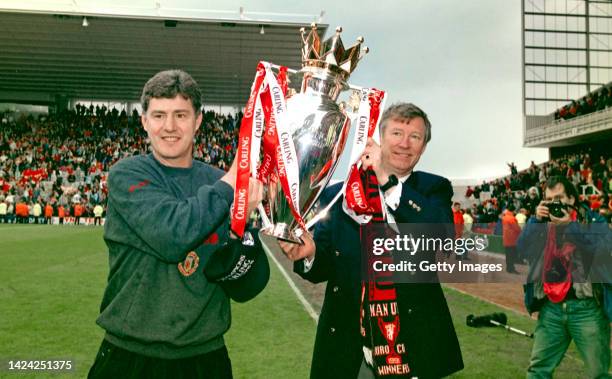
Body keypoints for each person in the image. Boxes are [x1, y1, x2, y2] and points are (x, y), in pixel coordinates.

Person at [88, 69, 268, 379]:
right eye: (158, 115)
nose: (169, 127)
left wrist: (240, 232)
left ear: (198, 120)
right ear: (144, 121)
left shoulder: (216, 181)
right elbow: (172, 236)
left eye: (180, 115)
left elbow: (247, 286)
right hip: (130, 357)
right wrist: (232, 183)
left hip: (205, 358)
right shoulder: (126, 175)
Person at [280, 103, 463, 378]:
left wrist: (388, 182)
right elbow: (325, 267)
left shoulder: (434, 189)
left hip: (411, 348)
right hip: (349, 347)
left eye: (415, 137)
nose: (405, 143)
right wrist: (310, 253)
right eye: (397, 133)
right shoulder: (339, 194)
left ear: (423, 147)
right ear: (379, 138)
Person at [518, 176, 611, 378]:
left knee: (598, 373)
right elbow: (521, 250)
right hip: (551, 308)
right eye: (549, 199)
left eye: (559, 198)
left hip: (587, 309)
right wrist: (535, 220)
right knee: (538, 370)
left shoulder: (593, 220)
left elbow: (603, 253)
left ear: (572, 198)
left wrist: (570, 226)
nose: (555, 204)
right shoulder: (541, 223)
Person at [502, 205, 521, 274]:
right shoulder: (512, 218)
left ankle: (508, 268)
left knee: (508, 255)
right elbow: (517, 228)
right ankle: (511, 268)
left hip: (506, 238)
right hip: (512, 239)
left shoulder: (504, 217)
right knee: (512, 255)